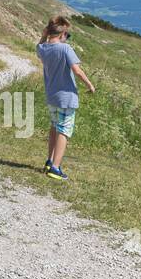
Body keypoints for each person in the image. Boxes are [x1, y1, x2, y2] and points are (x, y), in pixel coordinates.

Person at [37, 16, 95, 181]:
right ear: (62, 34)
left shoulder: (43, 48)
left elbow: (39, 45)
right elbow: (76, 70)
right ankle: (55, 168)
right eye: (67, 34)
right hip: (66, 96)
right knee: (64, 130)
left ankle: (49, 161)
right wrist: (90, 85)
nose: (67, 37)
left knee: (54, 127)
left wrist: (44, 35)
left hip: (51, 95)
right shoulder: (65, 49)